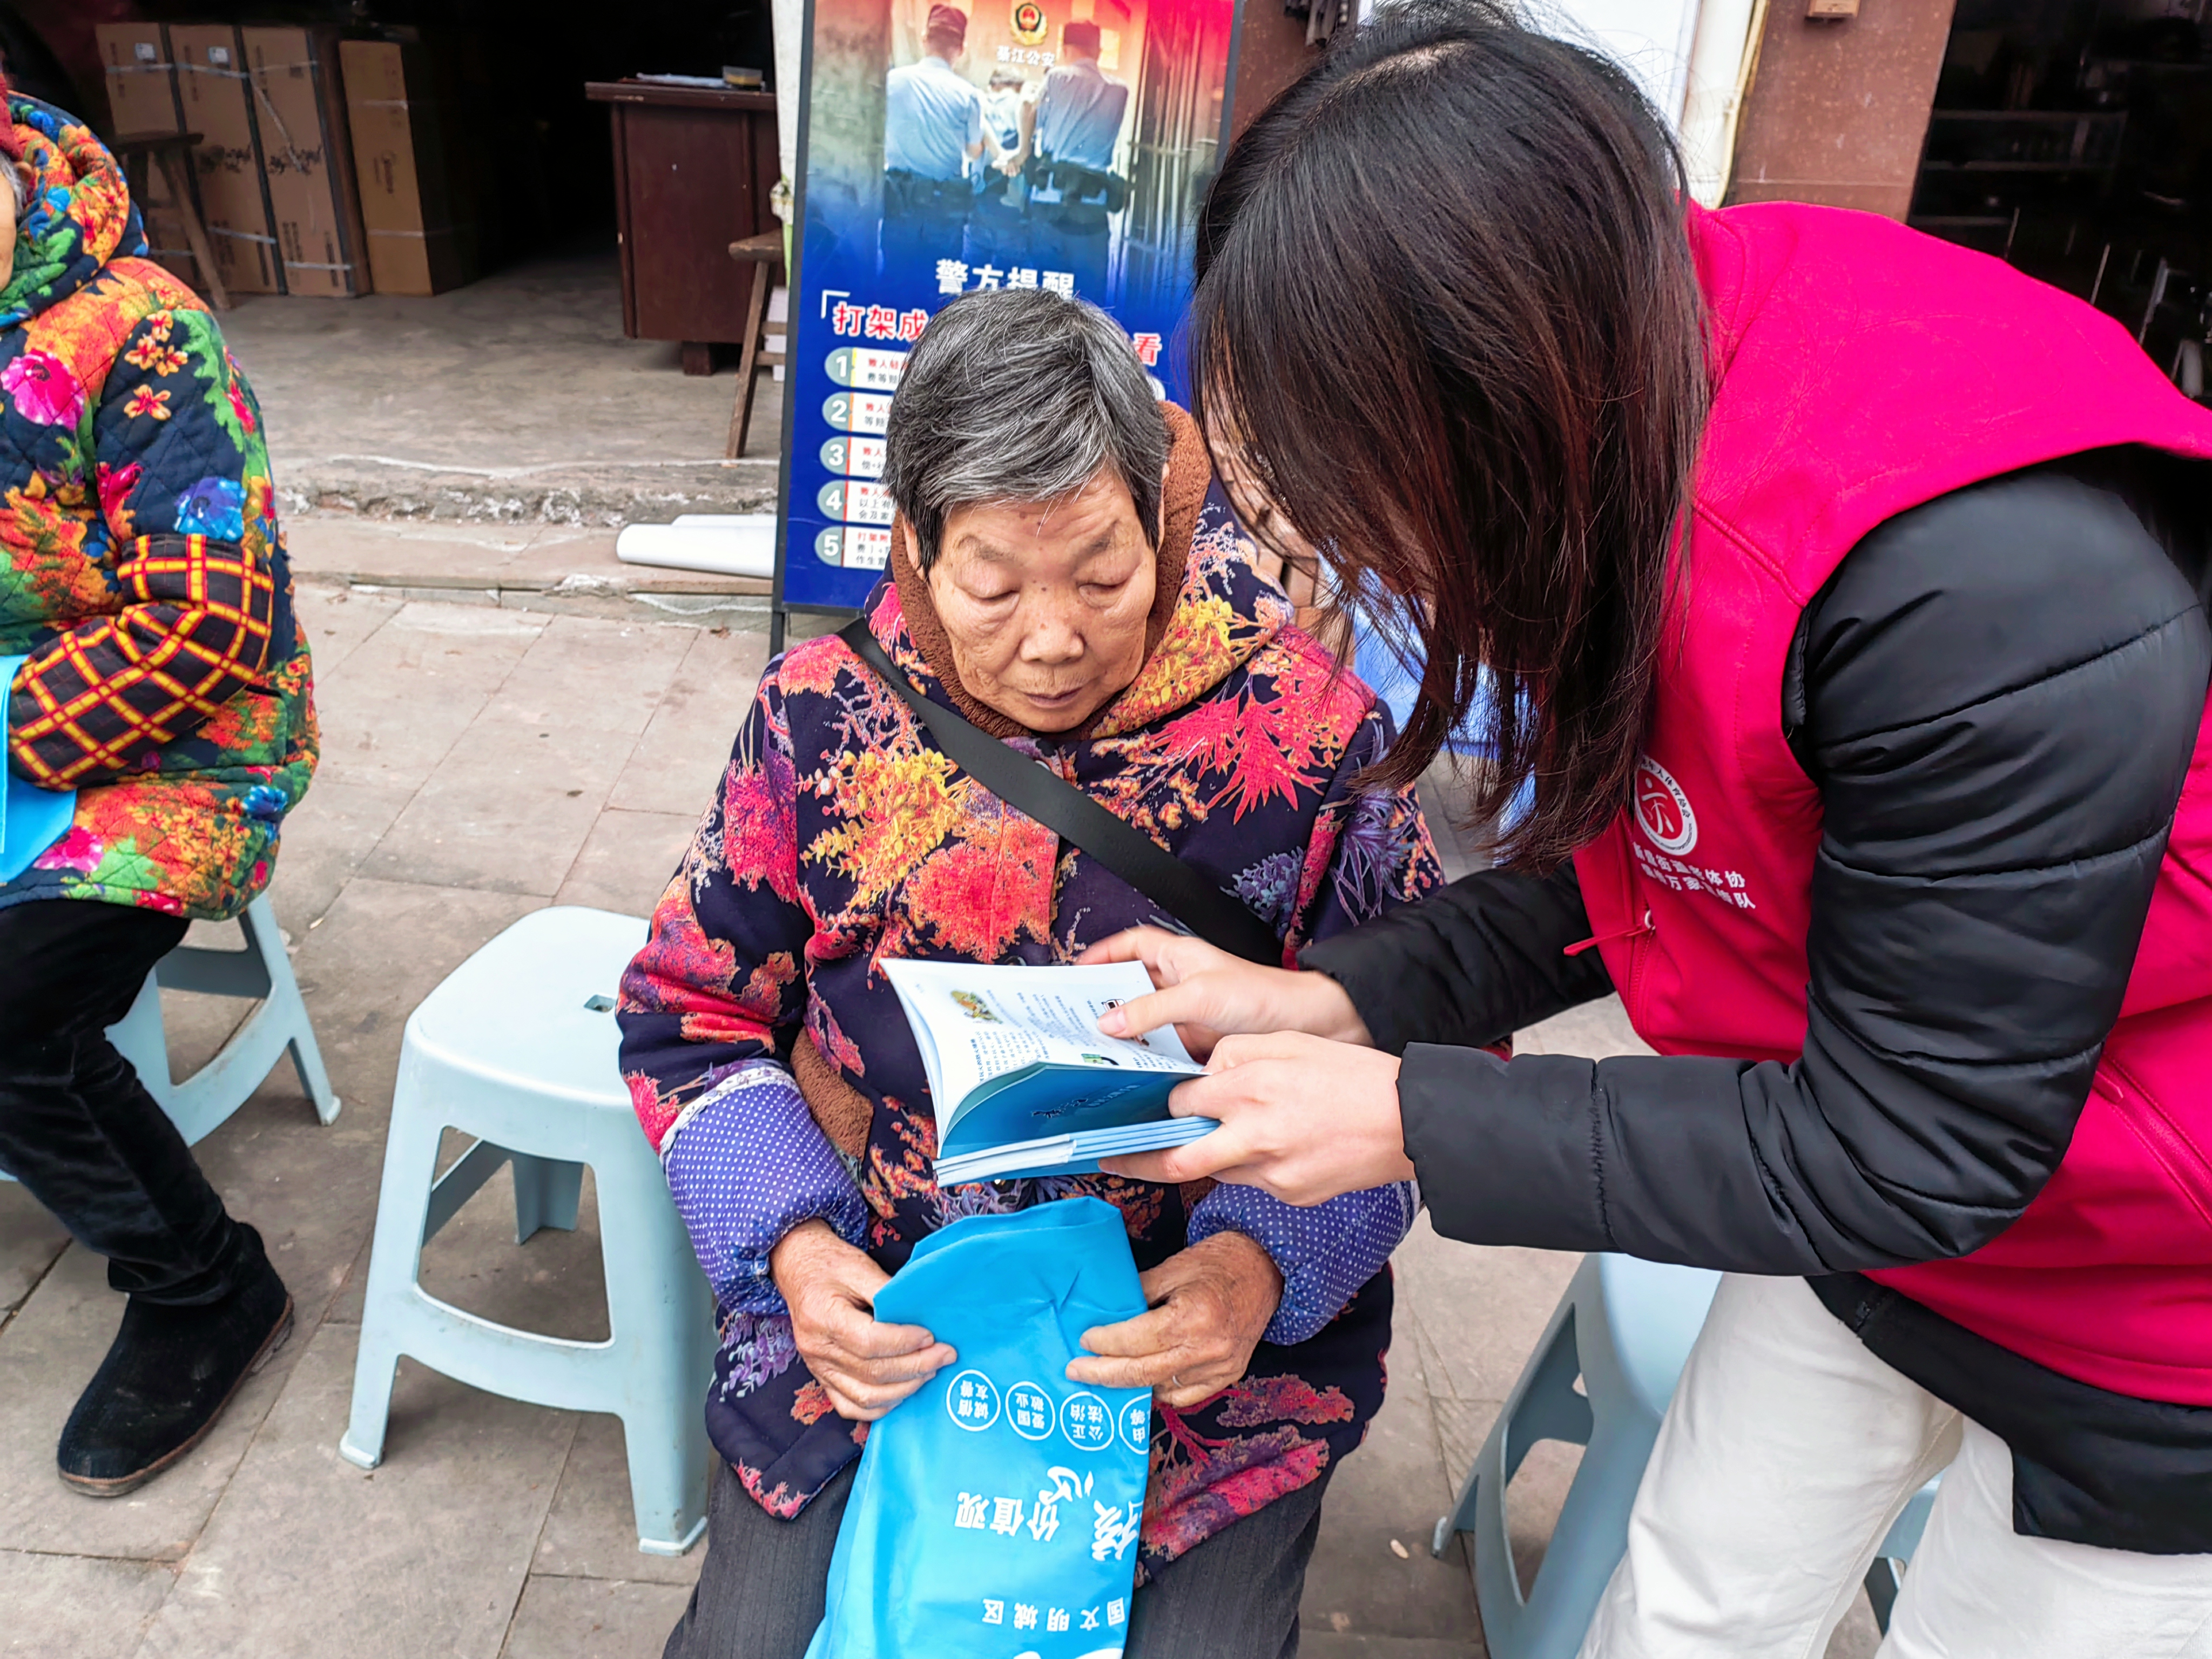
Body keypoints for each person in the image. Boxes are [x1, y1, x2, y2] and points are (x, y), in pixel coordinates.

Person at [1084, 4, 2212, 1655]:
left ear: (1481, 387)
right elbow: (1665, 842)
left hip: (2149, 1297)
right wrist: (1343, 997)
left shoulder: (1971, 589)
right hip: (1851, 1200)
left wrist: (1417, 1114)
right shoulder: (1631, 390)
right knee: (1689, 1599)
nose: (1335, 561)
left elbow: (1925, 1144)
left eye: (1338, 495)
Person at [617, 287, 1440, 1659]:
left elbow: (1425, 1060)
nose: (1051, 636)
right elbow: (691, 1017)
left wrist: (1256, 1268)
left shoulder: (1313, 740)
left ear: (1163, 524)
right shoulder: (819, 719)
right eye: (994, 585)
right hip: (889, 1320)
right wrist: (800, 1252)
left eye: (1103, 575)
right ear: (917, 547)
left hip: (1188, 1344)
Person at [0, 89, 315, 1495]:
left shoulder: (137, 331)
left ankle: (202, 1283)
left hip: (181, 746)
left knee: (6, 1013)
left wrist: (14, 726)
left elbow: (209, 629)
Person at [1023, 19, 1129, 298]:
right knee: (1089, 303)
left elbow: (1032, 115)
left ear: (1066, 48)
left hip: (1049, 202)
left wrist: (1022, 152)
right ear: (1098, 50)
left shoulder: (1056, 78)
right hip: (1092, 210)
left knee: (1040, 302)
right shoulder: (1120, 90)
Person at [881, 4, 987, 278]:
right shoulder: (968, 95)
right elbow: (974, 151)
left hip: (900, 202)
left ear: (925, 39)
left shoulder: (893, 81)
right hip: (944, 210)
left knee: (895, 278)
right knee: (938, 288)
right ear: (960, 50)